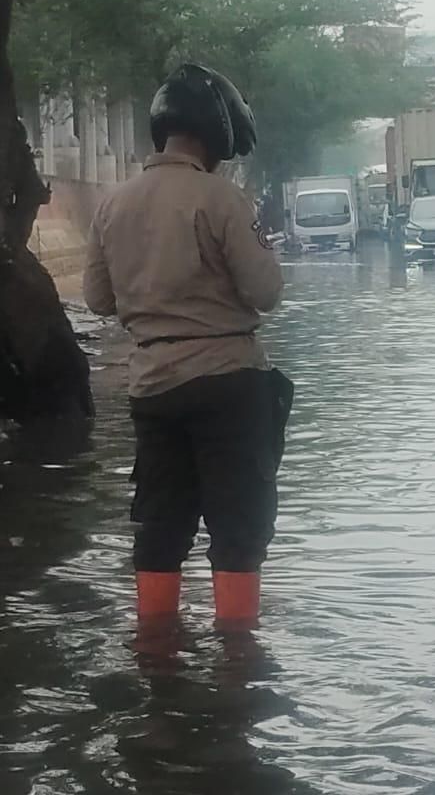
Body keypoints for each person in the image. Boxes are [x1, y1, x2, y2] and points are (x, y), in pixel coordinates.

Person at [83, 63, 288, 633]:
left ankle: (155, 648)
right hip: (228, 382)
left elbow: (98, 298)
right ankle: (238, 657)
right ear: (214, 133)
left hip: (152, 385)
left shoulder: (111, 204)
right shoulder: (222, 198)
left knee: (159, 523)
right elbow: (265, 292)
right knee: (238, 528)